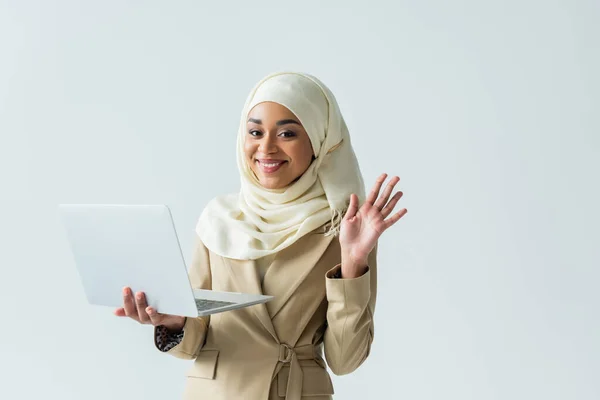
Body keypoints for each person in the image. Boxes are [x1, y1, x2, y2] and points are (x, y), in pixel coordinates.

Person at [114, 72, 407, 400]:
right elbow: (192, 343)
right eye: (255, 132)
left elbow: (345, 360)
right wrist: (173, 321)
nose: (266, 148)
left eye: (287, 133)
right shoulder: (218, 219)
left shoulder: (344, 227)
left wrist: (353, 263)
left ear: (320, 141)